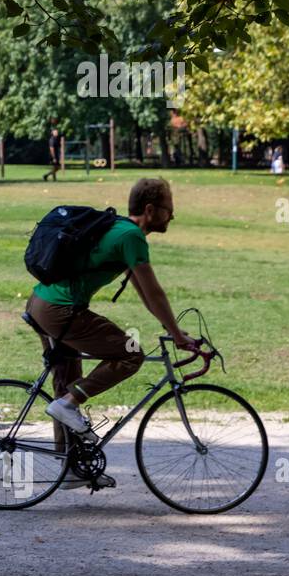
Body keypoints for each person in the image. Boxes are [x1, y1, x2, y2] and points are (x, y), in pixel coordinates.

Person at [25, 177, 199, 490]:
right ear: (150, 209)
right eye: (168, 210)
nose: (172, 216)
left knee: (66, 382)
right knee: (131, 354)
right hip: (60, 311)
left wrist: (171, 329)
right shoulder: (131, 236)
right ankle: (67, 407)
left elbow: (145, 294)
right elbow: (156, 292)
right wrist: (177, 334)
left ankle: (70, 468)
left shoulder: (119, 228)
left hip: (42, 303)